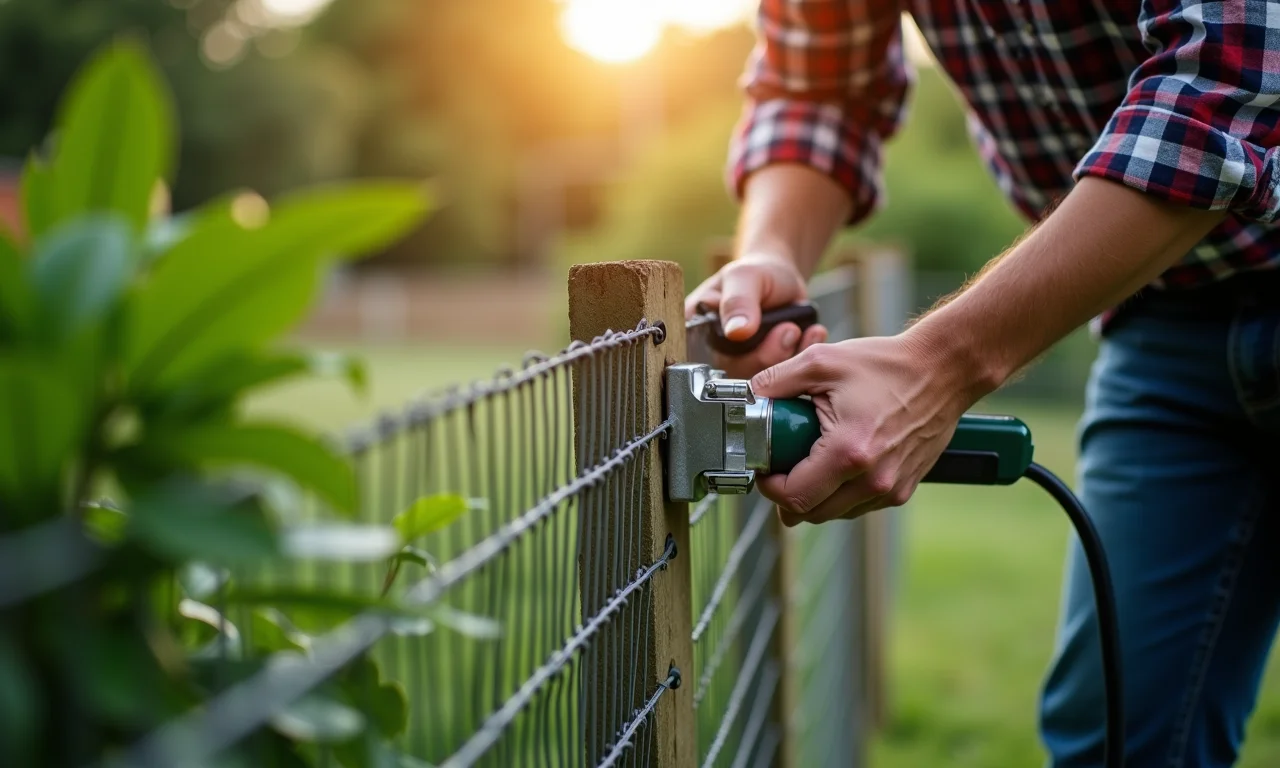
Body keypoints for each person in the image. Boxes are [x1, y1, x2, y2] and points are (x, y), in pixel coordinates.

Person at [685, 1, 1280, 766]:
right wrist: (772, 248)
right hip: (1164, 316)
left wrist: (942, 363)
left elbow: (1226, 76)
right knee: (1117, 738)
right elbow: (817, 86)